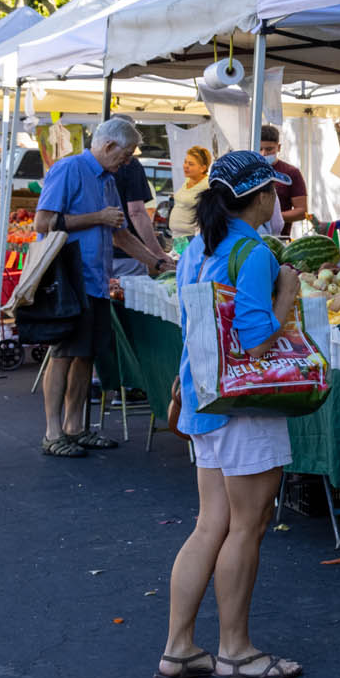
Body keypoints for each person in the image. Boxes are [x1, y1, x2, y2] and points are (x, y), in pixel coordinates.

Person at [156, 150, 304, 678]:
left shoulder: (198, 247)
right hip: (244, 405)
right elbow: (257, 341)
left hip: (204, 399)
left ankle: (179, 648)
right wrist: (286, 293)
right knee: (247, 526)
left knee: (209, 525)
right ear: (261, 198)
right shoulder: (255, 252)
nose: (278, 202)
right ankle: (235, 650)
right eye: (274, 194)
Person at [34, 116, 173, 458]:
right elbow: (43, 222)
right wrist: (96, 218)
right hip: (69, 279)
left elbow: (120, 232)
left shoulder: (109, 179)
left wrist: (156, 261)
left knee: (86, 356)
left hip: (96, 281)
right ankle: (53, 433)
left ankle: (75, 428)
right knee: (64, 354)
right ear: (109, 145)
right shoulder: (70, 170)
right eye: (125, 155)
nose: (128, 162)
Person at [111, 142, 164, 279]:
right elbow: (136, 213)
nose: (128, 160)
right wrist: (157, 253)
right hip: (128, 256)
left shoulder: (84, 168)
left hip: (98, 257)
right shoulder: (131, 165)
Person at [258, 125, 308, 227]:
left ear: (279, 147)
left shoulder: (291, 173)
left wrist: (274, 217)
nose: (263, 154)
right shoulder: (247, 171)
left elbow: (302, 211)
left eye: (269, 149)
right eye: (260, 149)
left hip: (279, 238)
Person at [168, 145, 211, 239]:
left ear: (203, 168)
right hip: (177, 236)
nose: (186, 166)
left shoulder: (207, 186)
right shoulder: (188, 180)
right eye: (185, 162)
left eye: (191, 164)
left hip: (191, 237)